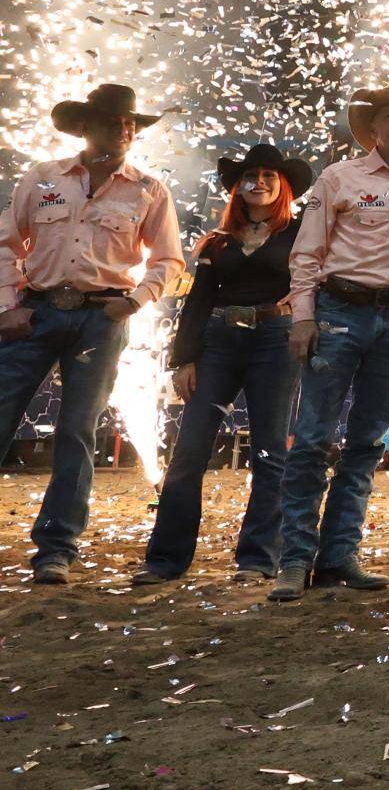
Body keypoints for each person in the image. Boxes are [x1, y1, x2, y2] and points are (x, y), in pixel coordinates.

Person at [272, 85, 389, 603]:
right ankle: (293, 560)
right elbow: (306, 255)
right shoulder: (339, 178)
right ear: (373, 130)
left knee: (367, 441)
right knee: (313, 437)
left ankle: (337, 557)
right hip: (338, 309)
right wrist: (303, 317)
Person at [0, 84, 184, 586]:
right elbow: (6, 242)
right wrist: (8, 306)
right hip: (35, 311)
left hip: (101, 317)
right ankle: (55, 547)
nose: (123, 130)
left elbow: (168, 259)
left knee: (79, 430)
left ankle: (56, 549)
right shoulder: (42, 178)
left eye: (128, 124)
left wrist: (135, 300)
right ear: (86, 127)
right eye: (112, 122)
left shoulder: (147, 188)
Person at [134, 144, 313, 585]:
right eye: (252, 176)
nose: (261, 182)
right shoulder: (217, 241)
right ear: (238, 188)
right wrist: (184, 359)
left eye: (271, 176)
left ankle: (257, 559)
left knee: (270, 450)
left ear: (283, 186)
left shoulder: (302, 232)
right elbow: (198, 300)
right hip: (217, 341)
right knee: (190, 448)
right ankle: (165, 560)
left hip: (275, 338)